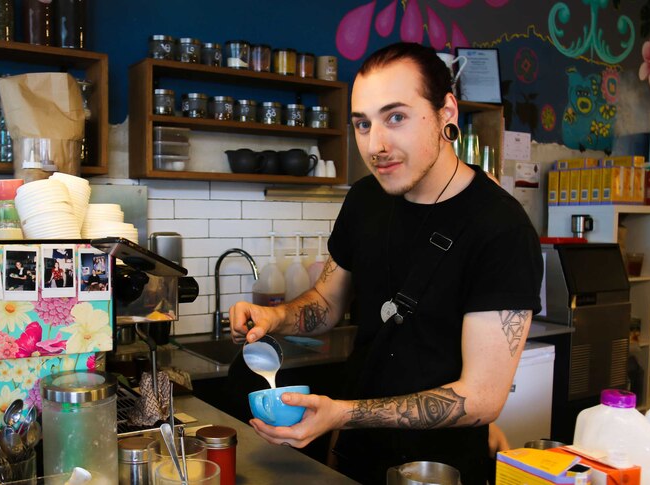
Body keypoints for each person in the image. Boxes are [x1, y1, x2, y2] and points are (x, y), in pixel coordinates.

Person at [230, 42, 543, 485]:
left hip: (439, 470)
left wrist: (341, 413)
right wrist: (274, 316)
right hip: (354, 457)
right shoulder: (365, 200)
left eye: (395, 117)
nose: (375, 144)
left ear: (446, 112)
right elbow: (327, 301)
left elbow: (481, 399)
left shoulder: (501, 228)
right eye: (362, 123)